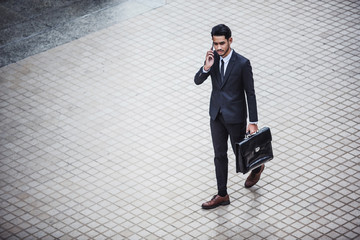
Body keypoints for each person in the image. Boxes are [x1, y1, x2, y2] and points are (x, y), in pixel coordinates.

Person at [194, 24, 265, 209]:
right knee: (219, 155)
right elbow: (197, 80)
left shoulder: (242, 63)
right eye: (215, 43)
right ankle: (222, 195)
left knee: (241, 155)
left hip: (235, 117)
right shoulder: (213, 60)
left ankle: (257, 168)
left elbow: (250, 93)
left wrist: (253, 122)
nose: (218, 48)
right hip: (216, 115)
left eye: (222, 43)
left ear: (230, 41)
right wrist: (206, 67)